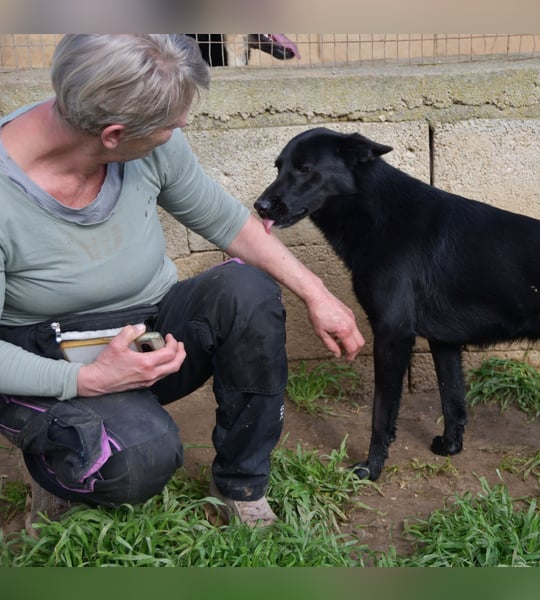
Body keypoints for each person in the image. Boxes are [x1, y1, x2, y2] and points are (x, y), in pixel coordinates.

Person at [0, 34, 365, 533]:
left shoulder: (144, 140)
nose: (182, 127)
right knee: (141, 460)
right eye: (171, 125)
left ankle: (240, 485)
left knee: (248, 292)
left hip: (148, 327)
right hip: (45, 358)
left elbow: (224, 220)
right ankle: (64, 455)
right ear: (113, 135)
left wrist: (317, 293)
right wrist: (84, 382)